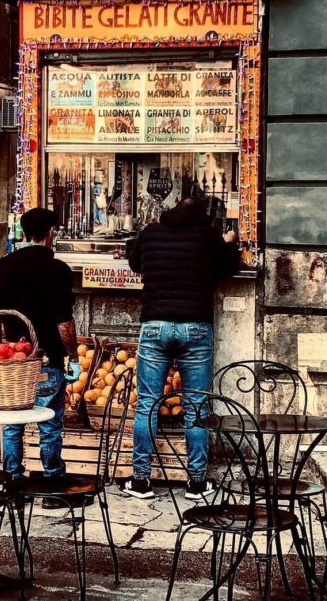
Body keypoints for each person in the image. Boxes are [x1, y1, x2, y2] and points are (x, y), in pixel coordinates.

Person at [123, 189, 240, 500]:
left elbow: (135, 263)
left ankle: (140, 481)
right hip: (195, 327)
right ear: (203, 214)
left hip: (155, 325)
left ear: (173, 209)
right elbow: (230, 267)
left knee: (147, 404)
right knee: (196, 407)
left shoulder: (151, 232)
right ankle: (197, 483)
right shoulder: (209, 236)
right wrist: (228, 244)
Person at [0, 207, 83, 508]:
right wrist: (73, 357)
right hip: (45, 360)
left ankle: (13, 484)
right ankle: (53, 483)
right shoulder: (57, 269)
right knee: (50, 423)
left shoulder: (3, 266)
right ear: (51, 233)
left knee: (13, 423)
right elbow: (64, 323)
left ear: (25, 233)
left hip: (14, 363)